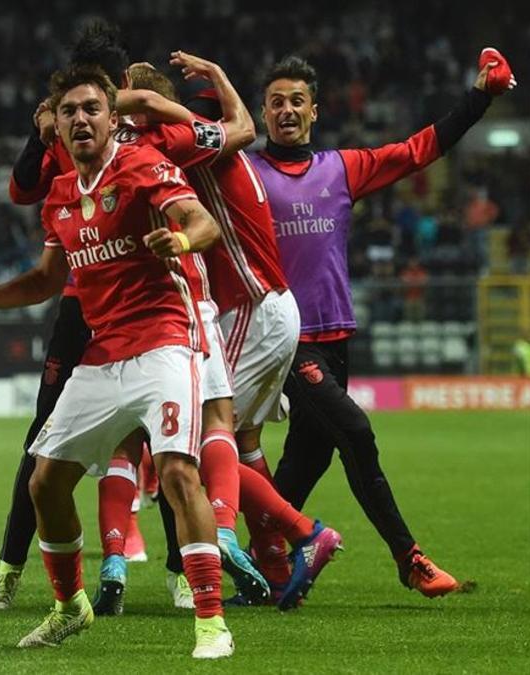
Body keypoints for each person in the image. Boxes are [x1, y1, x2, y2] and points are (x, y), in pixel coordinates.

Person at [0, 64, 233, 659]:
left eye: (92, 108)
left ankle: (211, 622)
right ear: (54, 125)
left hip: (166, 340)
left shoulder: (142, 166)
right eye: (69, 111)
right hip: (103, 353)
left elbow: (203, 221)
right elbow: (46, 278)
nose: (81, 119)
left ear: (114, 117)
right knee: (44, 481)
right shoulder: (59, 195)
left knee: (177, 472)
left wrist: (181, 240)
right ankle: (70, 608)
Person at [248, 48, 515, 598]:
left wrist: (480, 98)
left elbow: (419, 151)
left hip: (338, 338)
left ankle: (257, 565)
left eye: (297, 100)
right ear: (263, 113)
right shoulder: (247, 176)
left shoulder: (341, 169)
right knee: (357, 434)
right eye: (276, 102)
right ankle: (408, 557)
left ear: (314, 111)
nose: (287, 110)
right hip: (288, 343)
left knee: (306, 460)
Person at [125, 57, 342, 610]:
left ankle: (294, 534)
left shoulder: (177, 142)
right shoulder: (214, 139)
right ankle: (273, 558)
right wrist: (222, 75)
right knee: (242, 442)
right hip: (262, 306)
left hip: (253, 304)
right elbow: (242, 124)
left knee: (203, 441)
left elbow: (154, 109)